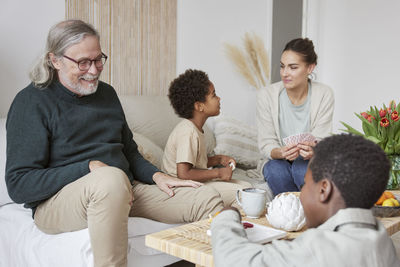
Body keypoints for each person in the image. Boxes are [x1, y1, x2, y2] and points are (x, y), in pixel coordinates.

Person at [5, 20, 225, 267]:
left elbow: (129, 151)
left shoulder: (107, 94)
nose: (95, 70)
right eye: (83, 62)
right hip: (58, 202)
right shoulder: (31, 103)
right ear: (55, 60)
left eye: (99, 59)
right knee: (110, 180)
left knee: (207, 199)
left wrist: (156, 176)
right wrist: (88, 168)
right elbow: (19, 184)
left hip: (122, 189)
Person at [211, 134, 400, 267]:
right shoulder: (382, 240)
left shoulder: (318, 248)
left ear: (324, 190)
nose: (301, 193)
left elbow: (231, 260)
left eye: (304, 185)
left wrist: (227, 216)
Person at [256, 38, 334, 196]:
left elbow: (322, 137)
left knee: (301, 169)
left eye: (293, 67)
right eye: (282, 66)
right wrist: (281, 152)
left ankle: (309, 213)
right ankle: (292, 214)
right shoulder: (266, 96)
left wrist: (314, 149)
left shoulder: (324, 94)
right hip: (278, 160)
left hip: (308, 161)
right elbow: (266, 143)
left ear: (310, 68)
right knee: (275, 170)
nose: (285, 73)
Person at [162, 69, 251, 206]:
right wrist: (218, 173)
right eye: (214, 95)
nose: (219, 98)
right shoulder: (188, 132)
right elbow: (184, 174)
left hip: (190, 185)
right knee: (246, 193)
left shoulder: (195, 129)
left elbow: (195, 162)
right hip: (183, 190)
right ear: (199, 106)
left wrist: (219, 159)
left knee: (247, 187)